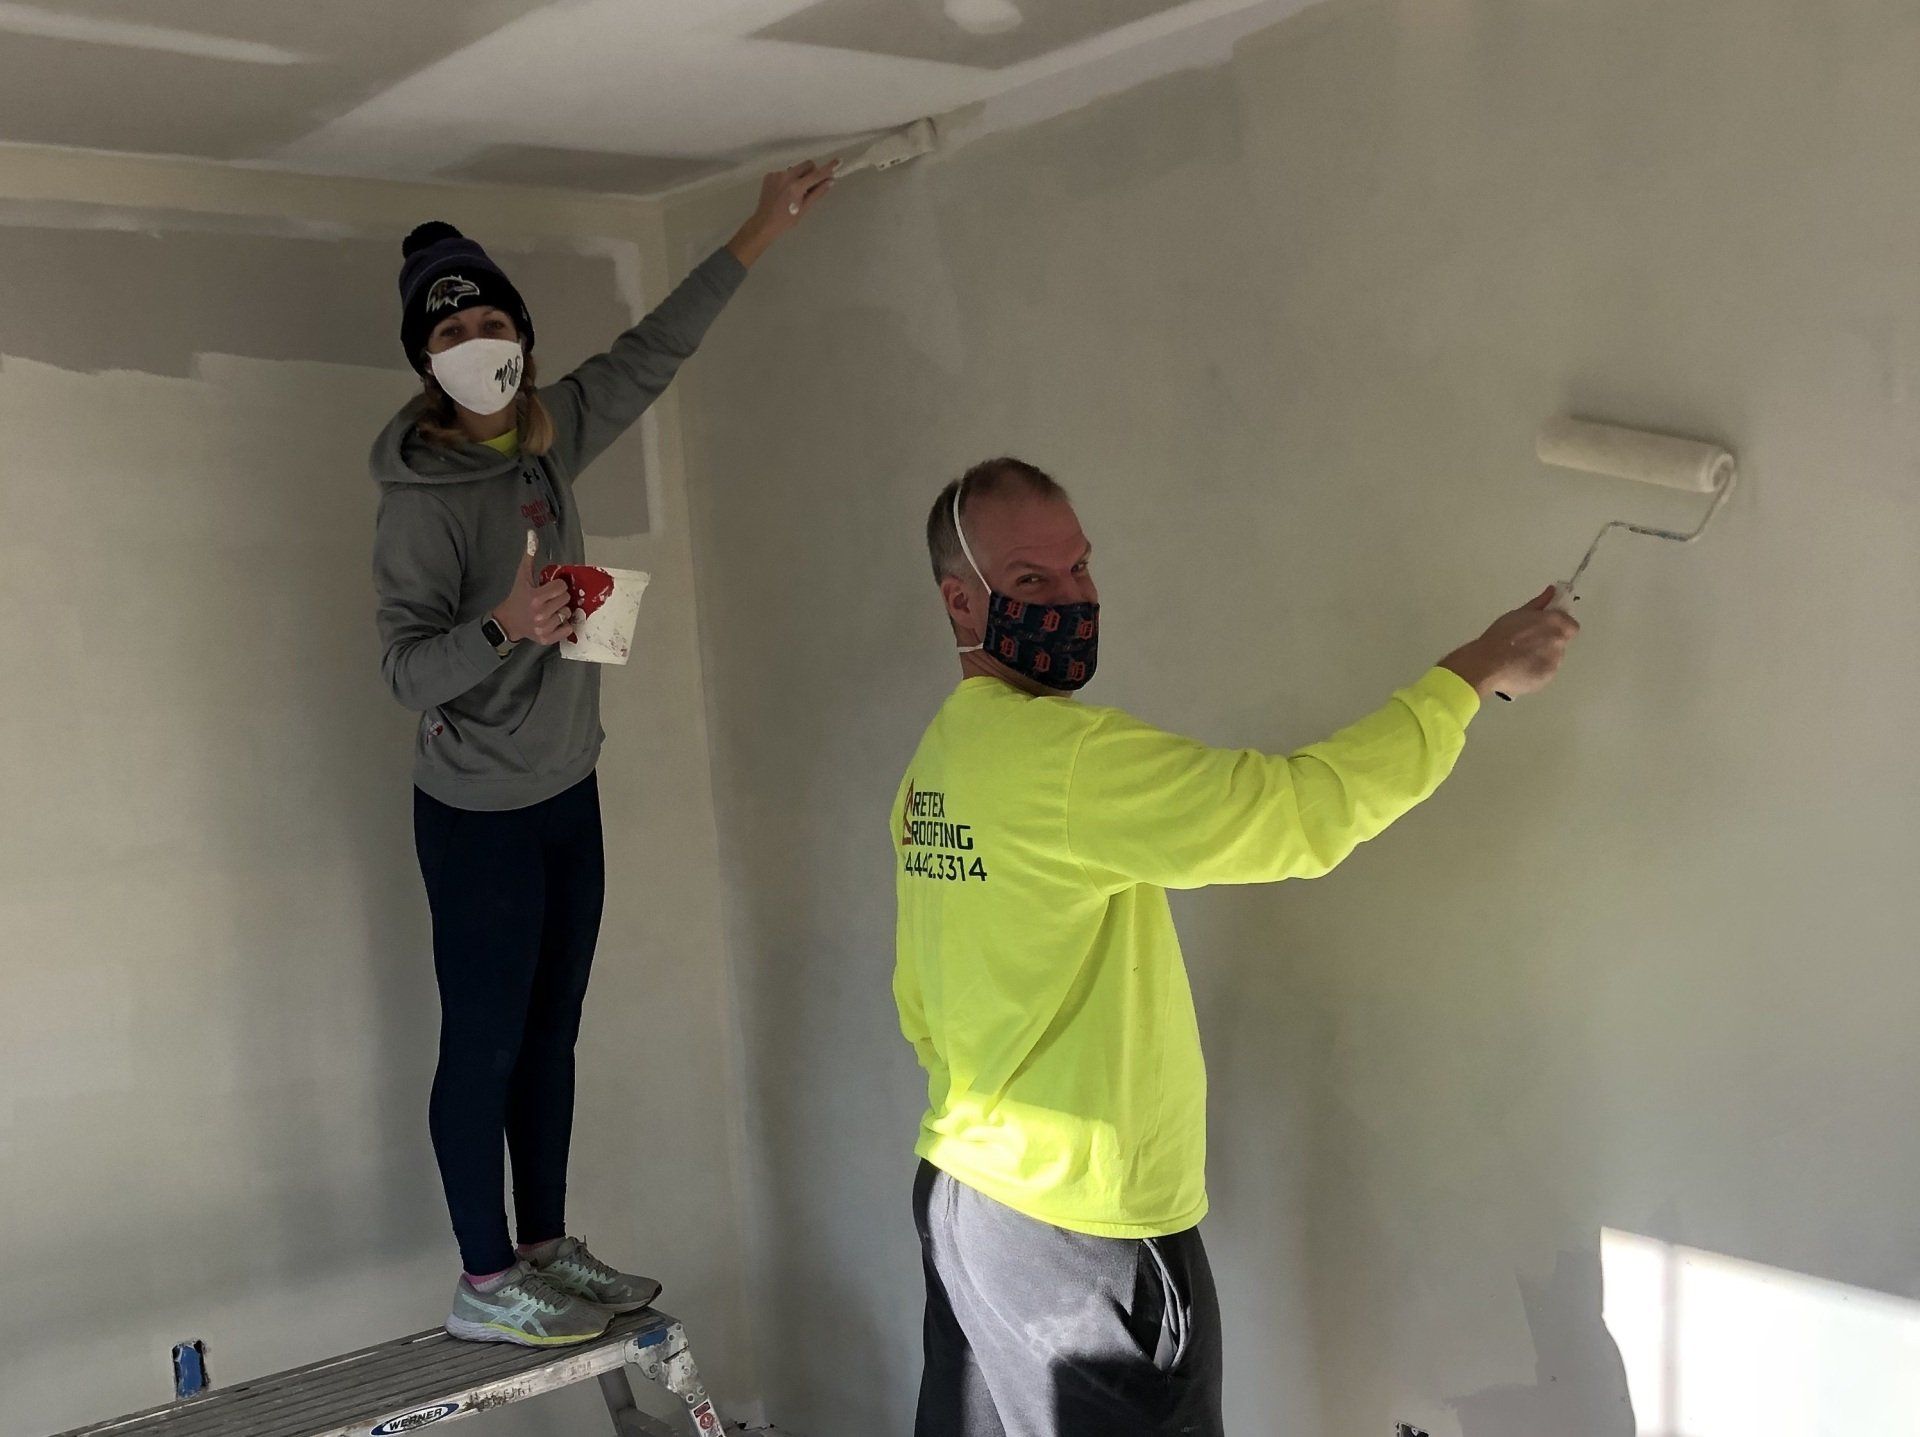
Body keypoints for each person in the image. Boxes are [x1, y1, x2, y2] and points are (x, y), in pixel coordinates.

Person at [893, 457, 1578, 1434]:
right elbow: (1296, 814)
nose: (1074, 598)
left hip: (967, 1205)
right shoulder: (1066, 764)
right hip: (1079, 1234)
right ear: (963, 603)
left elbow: (918, 999)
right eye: (1033, 582)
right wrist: (1470, 676)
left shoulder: (938, 767)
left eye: (1082, 569)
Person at [372, 160, 836, 1347]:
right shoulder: (419, 501)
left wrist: (758, 228)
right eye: (454, 330)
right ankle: (484, 1283)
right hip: (475, 811)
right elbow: (403, 672)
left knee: (551, 1028)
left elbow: (651, 353)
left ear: (519, 334)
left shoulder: (547, 435)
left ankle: (544, 1247)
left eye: (492, 321)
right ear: (426, 361)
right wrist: (502, 627)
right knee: (481, 1041)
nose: (478, 341)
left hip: (567, 790)